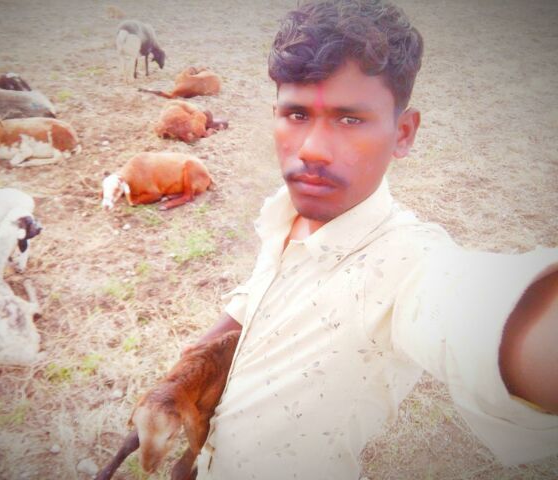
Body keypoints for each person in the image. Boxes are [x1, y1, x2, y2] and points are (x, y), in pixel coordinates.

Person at [184, 1, 558, 478]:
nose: (311, 150)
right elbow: (259, 293)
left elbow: (474, 307)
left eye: (350, 119)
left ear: (403, 133)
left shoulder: (407, 264)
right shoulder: (286, 211)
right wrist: (187, 372)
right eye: (296, 114)